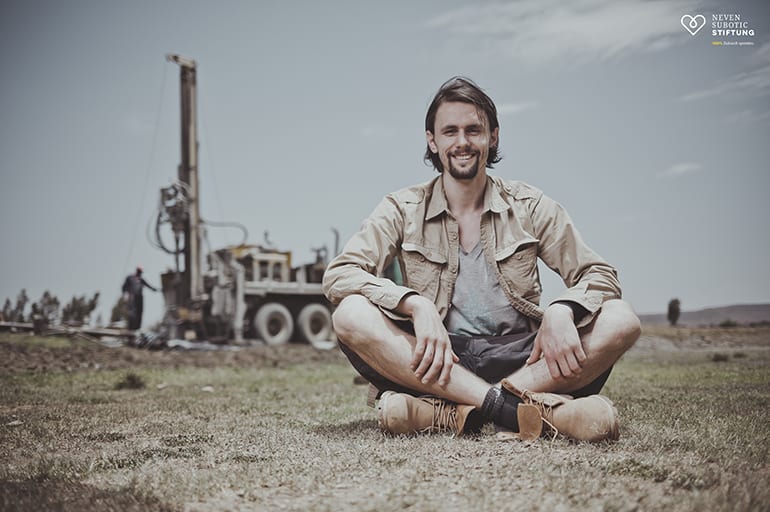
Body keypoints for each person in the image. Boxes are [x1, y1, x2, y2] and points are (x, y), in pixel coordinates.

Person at [322, 77, 641, 442]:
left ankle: (454, 411)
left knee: (622, 318)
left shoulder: (530, 205)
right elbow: (341, 274)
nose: (462, 142)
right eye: (450, 131)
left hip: (523, 358)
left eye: (474, 130)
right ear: (432, 140)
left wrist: (563, 309)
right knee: (349, 314)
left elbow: (599, 274)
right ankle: (519, 411)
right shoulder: (401, 208)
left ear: (493, 137)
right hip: (441, 359)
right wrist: (415, 305)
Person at [122, 266, 158, 331]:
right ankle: (131, 327)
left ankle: (137, 328)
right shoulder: (130, 277)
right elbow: (124, 287)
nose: (140, 274)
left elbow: (149, 285)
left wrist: (154, 289)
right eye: (139, 272)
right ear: (137, 271)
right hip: (132, 297)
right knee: (132, 312)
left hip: (139, 298)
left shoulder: (141, 279)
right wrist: (125, 295)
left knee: (139, 312)